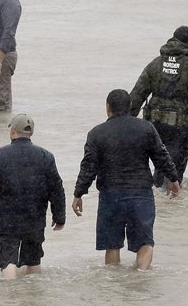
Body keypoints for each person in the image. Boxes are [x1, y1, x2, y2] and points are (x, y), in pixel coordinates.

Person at [73, 89, 179, 270]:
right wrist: (173, 178)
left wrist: (78, 193)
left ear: (108, 108)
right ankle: (141, 277)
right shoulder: (146, 128)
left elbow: (89, 167)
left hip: (110, 196)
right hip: (140, 195)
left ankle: (115, 286)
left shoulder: (96, 133)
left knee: (112, 245)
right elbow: (161, 156)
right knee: (145, 243)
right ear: (130, 107)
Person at [0, 113, 66, 279]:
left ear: (12, 131)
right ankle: (33, 296)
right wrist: (59, 216)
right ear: (30, 133)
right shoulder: (45, 157)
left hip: (8, 220)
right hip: (35, 219)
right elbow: (56, 189)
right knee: (34, 261)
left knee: (8, 260)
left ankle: (10, 299)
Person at [130, 26, 188, 187]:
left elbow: (137, 95)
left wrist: (124, 123)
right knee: (173, 168)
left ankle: (158, 199)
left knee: (159, 162)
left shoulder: (155, 64)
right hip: (179, 127)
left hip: (154, 125)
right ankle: (168, 206)